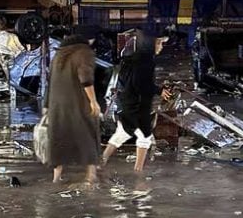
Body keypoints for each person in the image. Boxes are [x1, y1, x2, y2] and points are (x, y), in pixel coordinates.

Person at [102, 29, 170, 172]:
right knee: (144, 136)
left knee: (122, 133)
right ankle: (138, 172)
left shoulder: (135, 57)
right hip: (132, 104)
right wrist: (158, 91)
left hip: (125, 102)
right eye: (159, 43)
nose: (161, 47)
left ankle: (101, 161)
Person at [44, 34, 101, 185]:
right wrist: (93, 101)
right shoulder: (84, 52)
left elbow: (50, 81)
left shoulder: (59, 55)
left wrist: (46, 105)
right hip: (78, 103)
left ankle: (56, 178)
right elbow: (86, 78)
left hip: (57, 106)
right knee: (88, 135)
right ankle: (91, 175)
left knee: (59, 139)